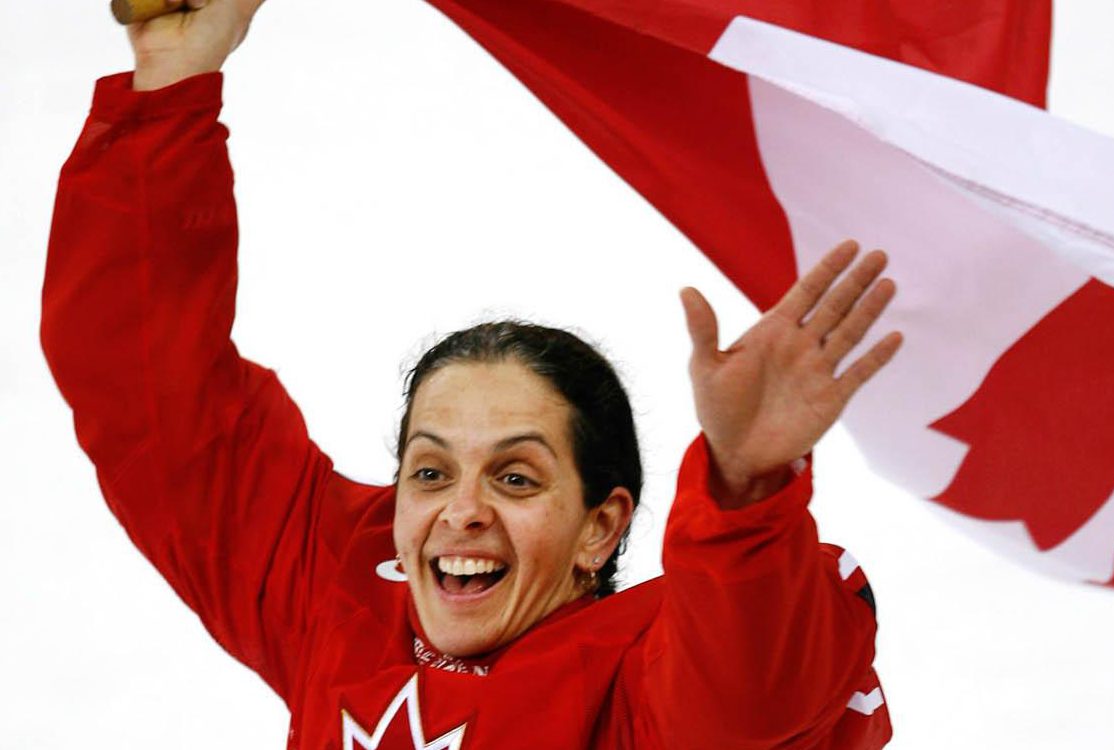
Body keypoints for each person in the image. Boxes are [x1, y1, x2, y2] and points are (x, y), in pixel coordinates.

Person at [42, 0, 902, 746]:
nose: (461, 511)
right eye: (429, 471)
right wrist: (170, 88)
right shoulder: (338, 599)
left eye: (516, 477)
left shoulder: (643, 686)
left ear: (600, 527)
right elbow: (145, 383)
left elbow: (749, 689)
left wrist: (745, 489)